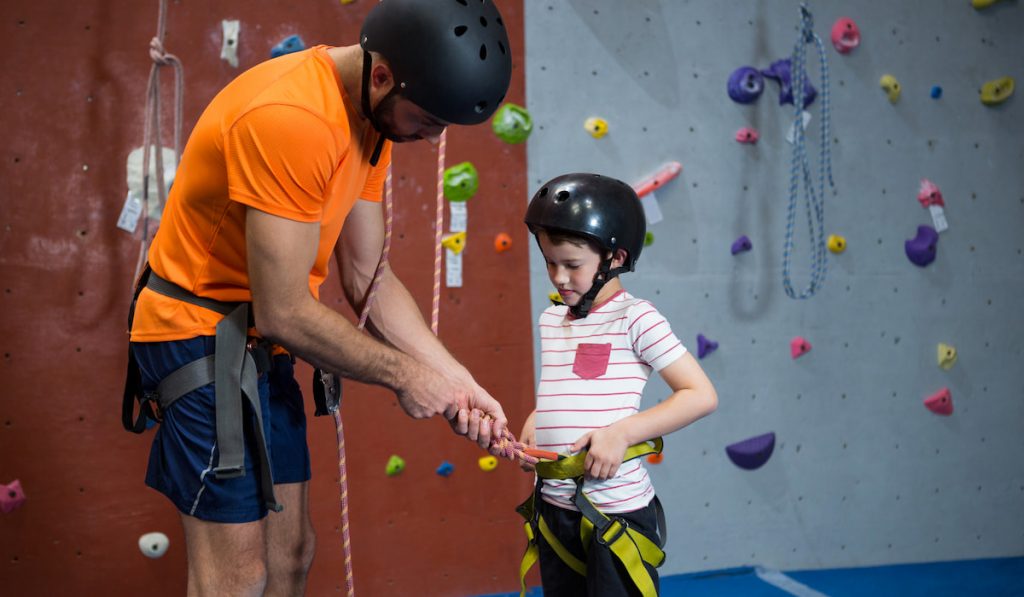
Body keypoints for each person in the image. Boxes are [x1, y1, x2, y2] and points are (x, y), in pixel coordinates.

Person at [121, 1, 513, 594]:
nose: (434, 142)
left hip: (261, 337)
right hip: (195, 331)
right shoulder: (293, 118)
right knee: (237, 576)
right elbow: (285, 311)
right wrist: (407, 376)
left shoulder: (372, 117)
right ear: (382, 75)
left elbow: (366, 276)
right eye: (429, 121)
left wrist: (455, 378)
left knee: (291, 556)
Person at [517, 173, 718, 596]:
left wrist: (622, 432)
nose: (558, 276)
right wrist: (538, 420)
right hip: (554, 509)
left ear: (615, 258)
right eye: (550, 262)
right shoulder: (552, 319)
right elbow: (567, 388)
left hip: (615, 515)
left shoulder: (637, 319)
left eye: (572, 265)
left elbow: (700, 395)